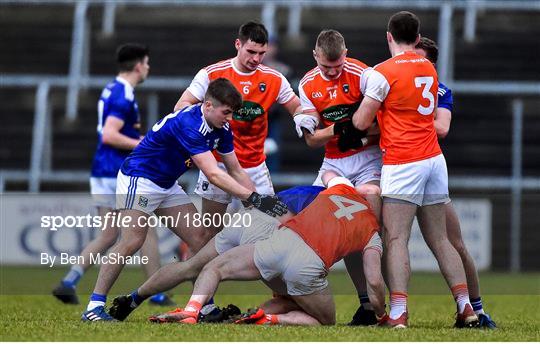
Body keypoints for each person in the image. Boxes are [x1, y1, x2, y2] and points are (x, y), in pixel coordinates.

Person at [81, 78, 288, 321]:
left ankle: (204, 306)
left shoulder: (222, 128)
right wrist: (253, 198)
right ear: (208, 105)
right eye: (226, 112)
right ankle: (94, 307)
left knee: (201, 240)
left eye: (232, 113)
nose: (229, 119)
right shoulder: (190, 124)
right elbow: (213, 173)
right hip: (140, 177)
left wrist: (257, 203)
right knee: (132, 241)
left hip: (166, 184)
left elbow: (236, 170)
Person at [352, 11, 478, 328]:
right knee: (441, 240)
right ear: (419, 39)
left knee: (395, 239)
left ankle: (398, 313)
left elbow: (361, 122)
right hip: (434, 161)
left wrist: (367, 108)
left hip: (404, 161)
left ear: (388, 36)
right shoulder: (428, 67)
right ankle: (466, 307)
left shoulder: (382, 72)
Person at [147, 172, 387, 326]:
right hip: (307, 266)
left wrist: (343, 180)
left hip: (276, 242)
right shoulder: (372, 231)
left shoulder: (340, 189)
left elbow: (328, 173)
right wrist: (380, 314)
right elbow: (374, 280)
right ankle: (270, 318)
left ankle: (192, 310)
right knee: (324, 321)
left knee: (213, 268)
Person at [52, 43, 172, 306]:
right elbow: (109, 134)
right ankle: (156, 291)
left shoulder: (112, 88)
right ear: (139, 65)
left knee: (109, 234)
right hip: (116, 171)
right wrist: (143, 143)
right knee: (145, 231)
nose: (148, 68)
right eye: (147, 63)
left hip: (101, 169)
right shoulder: (124, 95)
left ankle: (69, 280)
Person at [107, 184, 326, 322]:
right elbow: (293, 228)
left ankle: (134, 298)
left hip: (245, 218)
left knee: (190, 267)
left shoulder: (312, 190)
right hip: (266, 228)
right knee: (297, 298)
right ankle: (247, 317)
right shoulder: (331, 203)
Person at [173, 21, 301, 232]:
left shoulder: (274, 78)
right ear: (237, 44)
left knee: (270, 230)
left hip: (254, 165)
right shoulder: (212, 73)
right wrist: (204, 130)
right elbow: (182, 106)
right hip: (217, 163)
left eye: (261, 53)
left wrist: (303, 118)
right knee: (210, 233)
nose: (256, 59)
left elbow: (297, 107)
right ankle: (206, 265)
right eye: (251, 51)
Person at [296, 29, 383, 326]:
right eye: (325, 67)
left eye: (338, 66)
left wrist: (358, 136)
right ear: (315, 56)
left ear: (346, 54)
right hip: (333, 163)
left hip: (370, 160)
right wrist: (342, 130)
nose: (332, 73)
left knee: (369, 230)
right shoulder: (307, 84)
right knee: (333, 233)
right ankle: (364, 304)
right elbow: (310, 139)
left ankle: (388, 305)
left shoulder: (365, 74)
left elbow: (384, 123)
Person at [414, 37, 496, 329]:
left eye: (419, 59)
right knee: (385, 242)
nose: (411, 63)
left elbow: (442, 127)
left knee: (454, 243)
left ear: (432, 65)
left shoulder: (440, 90)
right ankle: (380, 308)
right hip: (397, 169)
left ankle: (476, 309)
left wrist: (406, 117)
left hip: (427, 171)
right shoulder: (394, 84)